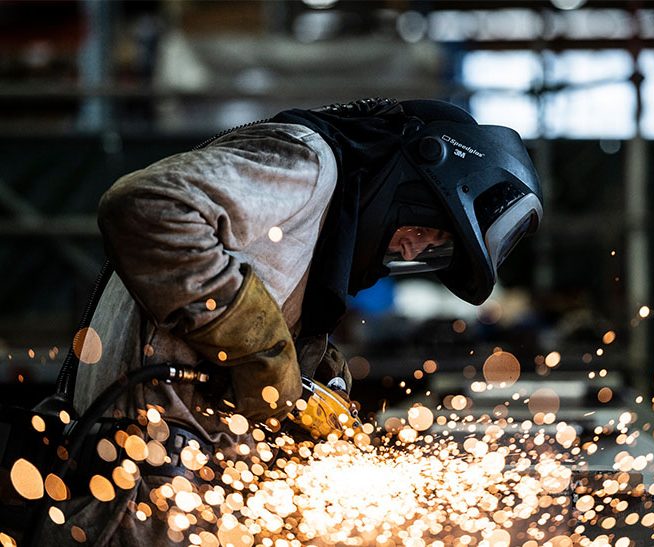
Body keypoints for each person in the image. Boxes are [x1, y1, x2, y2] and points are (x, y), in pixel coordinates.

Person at [43, 98, 543, 545]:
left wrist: (306, 378)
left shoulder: (324, 217)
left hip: (177, 499)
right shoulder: (307, 163)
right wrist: (258, 345)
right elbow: (149, 206)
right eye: (424, 227)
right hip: (133, 505)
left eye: (433, 249)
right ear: (414, 175)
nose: (412, 248)